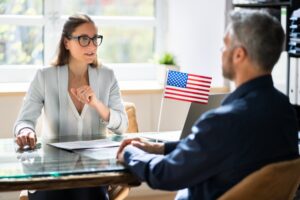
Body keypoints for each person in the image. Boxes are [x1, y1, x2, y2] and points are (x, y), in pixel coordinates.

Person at [116, 10, 299, 200]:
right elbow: (213, 146)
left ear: (239, 55)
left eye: (225, 45)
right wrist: (159, 148)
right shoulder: (285, 110)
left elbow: (165, 174)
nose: (221, 51)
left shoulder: (224, 121)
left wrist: (130, 153)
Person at [14, 14, 128, 200]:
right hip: (51, 173)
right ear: (67, 42)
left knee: (86, 190)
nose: (92, 45)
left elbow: (122, 125)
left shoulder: (108, 76)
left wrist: (97, 104)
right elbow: (24, 121)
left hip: (93, 173)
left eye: (95, 38)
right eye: (84, 39)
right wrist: (25, 131)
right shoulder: (44, 76)